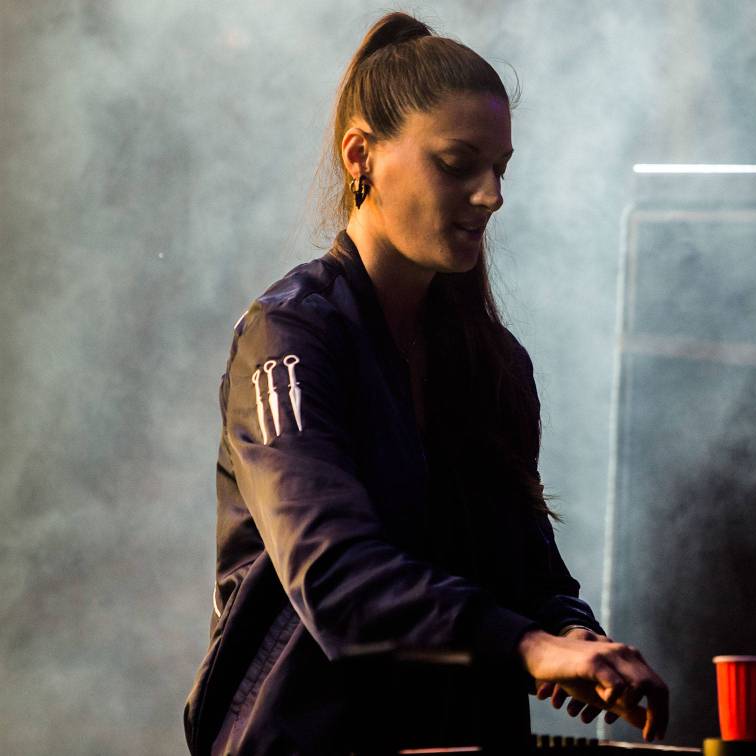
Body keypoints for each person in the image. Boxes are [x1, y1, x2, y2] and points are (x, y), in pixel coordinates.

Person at [183, 11, 668, 754]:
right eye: (456, 163)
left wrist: (577, 639)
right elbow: (336, 576)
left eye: (500, 168)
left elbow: (530, 571)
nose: (491, 195)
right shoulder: (290, 336)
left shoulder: (495, 365)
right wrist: (530, 647)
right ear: (361, 156)